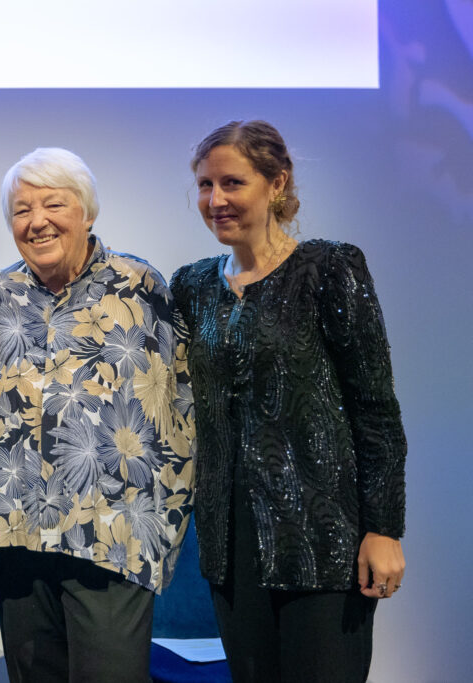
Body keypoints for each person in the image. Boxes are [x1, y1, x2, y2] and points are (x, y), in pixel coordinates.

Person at [170, 120, 407, 682]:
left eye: (233, 183)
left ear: (276, 184)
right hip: (231, 550)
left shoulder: (329, 268)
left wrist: (384, 529)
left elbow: (375, 411)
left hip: (323, 541)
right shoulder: (193, 285)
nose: (216, 199)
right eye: (205, 185)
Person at [0, 147, 195, 682]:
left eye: (54, 204)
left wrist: (165, 523)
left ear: (87, 213)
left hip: (112, 536)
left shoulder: (140, 285)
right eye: (22, 210)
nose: (37, 221)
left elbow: (180, 409)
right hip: (17, 530)